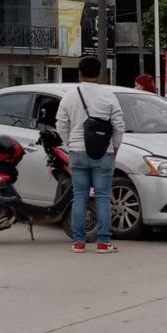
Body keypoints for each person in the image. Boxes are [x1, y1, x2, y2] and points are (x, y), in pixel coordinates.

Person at [56, 57, 125, 254]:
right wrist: (116, 146)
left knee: (80, 196)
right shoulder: (108, 96)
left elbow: (61, 123)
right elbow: (119, 124)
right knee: (103, 197)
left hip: (77, 151)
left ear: (79, 72)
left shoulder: (70, 96)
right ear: (100, 73)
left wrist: (70, 144)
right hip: (104, 151)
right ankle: (103, 243)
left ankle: (79, 242)